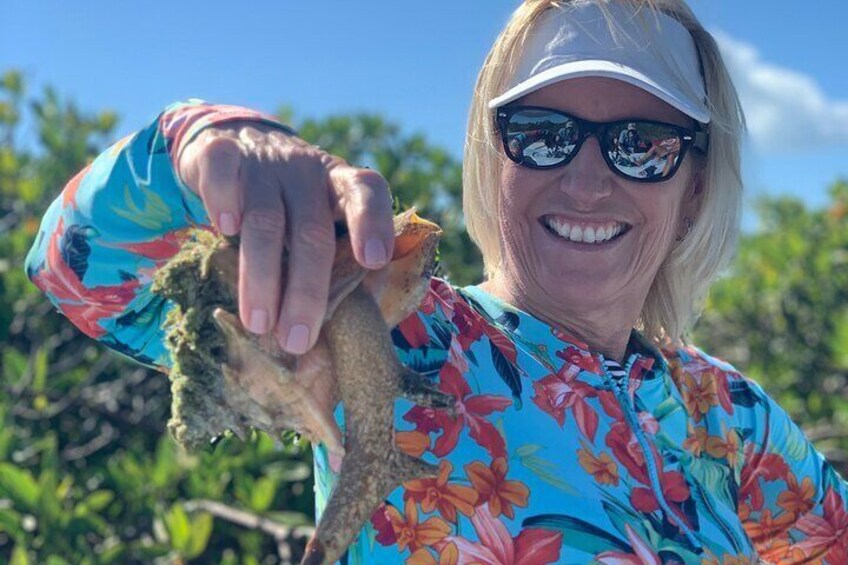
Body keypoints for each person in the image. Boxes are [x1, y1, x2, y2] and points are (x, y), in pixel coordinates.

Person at [25, 0, 848, 563]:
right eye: (543, 134)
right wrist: (199, 139)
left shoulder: (727, 412)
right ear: (495, 161)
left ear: (694, 184)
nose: (590, 180)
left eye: (642, 143)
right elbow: (77, 269)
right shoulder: (404, 331)